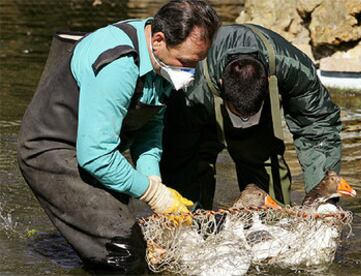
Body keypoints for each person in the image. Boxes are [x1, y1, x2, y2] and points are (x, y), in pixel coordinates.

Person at [17, 0, 220, 272]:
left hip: (97, 150)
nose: (190, 72)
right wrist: (154, 194)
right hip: (52, 151)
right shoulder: (119, 64)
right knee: (124, 252)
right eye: (186, 62)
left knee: (133, 244)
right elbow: (96, 155)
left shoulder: (162, 60)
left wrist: (152, 176)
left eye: (196, 63)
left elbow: (151, 122)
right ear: (159, 39)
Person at [160, 24, 342, 209]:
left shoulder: (293, 67)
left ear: (267, 82)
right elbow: (177, 152)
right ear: (222, 84)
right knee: (192, 167)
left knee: (260, 160)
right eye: (240, 115)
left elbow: (318, 127)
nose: (243, 122)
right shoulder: (192, 85)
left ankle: (270, 224)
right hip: (200, 107)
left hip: (260, 112)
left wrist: (323, 196)